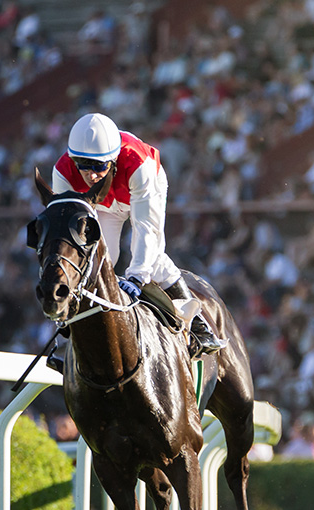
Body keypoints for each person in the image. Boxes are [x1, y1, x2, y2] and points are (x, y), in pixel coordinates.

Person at [51, 112, 223, 356]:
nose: (91, 175)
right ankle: (72, 333)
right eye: (83, 165)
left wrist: (136, 277)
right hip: (103, 204)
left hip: (142, 191)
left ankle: (199, 325)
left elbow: (145, 228)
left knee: (152, 259)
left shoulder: (137, 165)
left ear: (113, 160)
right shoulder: (62, 173)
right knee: (94, 258)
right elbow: (72, 234)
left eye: (99, 166)